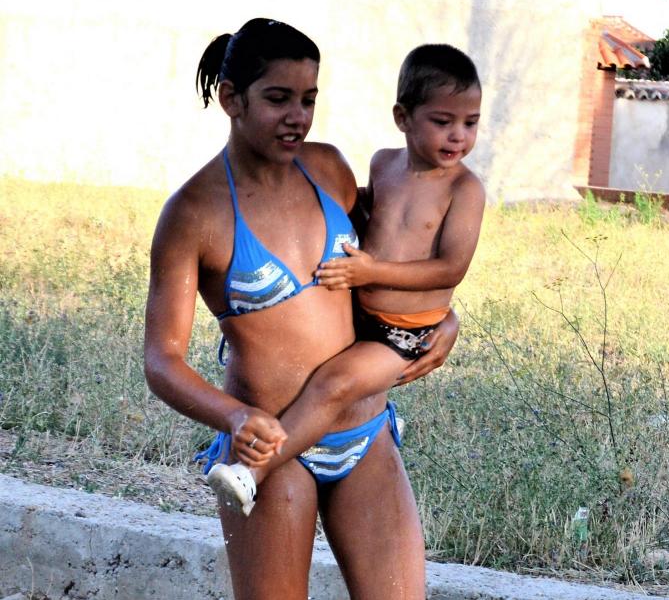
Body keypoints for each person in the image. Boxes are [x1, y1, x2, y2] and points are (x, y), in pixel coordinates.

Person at [144, 18, 463, 600]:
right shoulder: (195, 212)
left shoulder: (330, 171)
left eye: (309, 98)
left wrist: (441, 320)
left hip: (364, 433)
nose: (297, 116)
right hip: (269, 453)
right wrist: (233, 417)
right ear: (231, 98)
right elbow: (161, 359)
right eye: (278, 98)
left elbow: (399, 262)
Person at [201, 43, 485, 513]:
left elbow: (452, 267)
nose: (459, 136)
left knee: (332, 385)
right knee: (333, 384)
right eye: (443, 121)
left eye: (470, 123)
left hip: (405, 333)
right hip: (364, 317)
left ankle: (253, 472)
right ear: (402, 117)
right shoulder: (383, 165)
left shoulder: (464, 188)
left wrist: (379, 275)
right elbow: (366, 218)